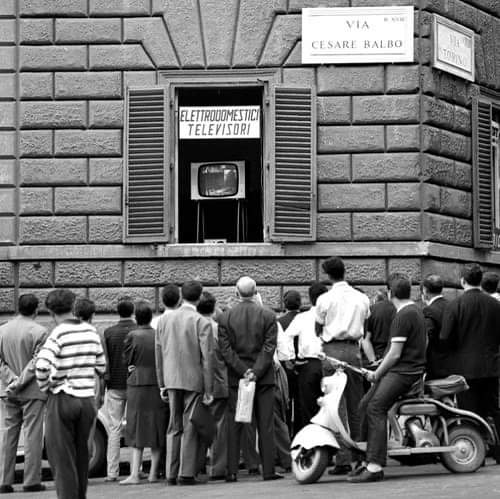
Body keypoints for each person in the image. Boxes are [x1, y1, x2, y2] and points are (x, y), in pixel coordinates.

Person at [350, 273, 426, 483]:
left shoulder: (403, 315)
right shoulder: (415, 310)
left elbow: (394, 353)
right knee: (364, 404)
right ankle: (365, 460)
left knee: (375, 407)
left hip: (403, 372)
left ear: (390, 293)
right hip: (407, 370)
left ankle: (374, 465)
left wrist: (377, 372)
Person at [35, 289, 106, 499]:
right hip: (86, 400)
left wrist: (46, 386)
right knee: (81, 455)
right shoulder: (91, 331)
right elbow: (101, 366)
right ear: (73, 305)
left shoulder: (57, 333)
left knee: (61, 458)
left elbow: (41, 366)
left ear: (50, 311)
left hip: (62, 398)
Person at [218, 276, 282, 482]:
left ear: (236, 293)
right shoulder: (269, 315)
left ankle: (232, 471)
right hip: (263, 378)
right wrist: (255, 371)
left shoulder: (225, 318)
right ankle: (269, 470)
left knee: (234, 422)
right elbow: (269, 347)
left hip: (237, 378)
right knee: (266, 423)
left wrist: (243, 370)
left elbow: (225, 351)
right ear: (256, 292)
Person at [314, 257, 370, 475]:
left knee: (335, 406)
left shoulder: (324, 299)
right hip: (354, 350)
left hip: (332, 351)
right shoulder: (361, 297)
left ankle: (342, 458)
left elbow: (318, 328)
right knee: (356, 403)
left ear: (328, 276)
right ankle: (359, 454)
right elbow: (365, 324)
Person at [155, 280, 214, 486]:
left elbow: (159, 354)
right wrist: (209, 389)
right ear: (199, 297)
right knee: (189, 425)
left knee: (174, 425)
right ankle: (186, 473)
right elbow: (207, 358)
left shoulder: (163, 321)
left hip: (171, 378)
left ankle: (171, 473)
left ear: (181, 295)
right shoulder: (201, 321)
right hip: (193, 378)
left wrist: (161, 382)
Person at [440, 264, 500, 436]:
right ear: (480, 281)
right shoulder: (495, 305)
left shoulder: (454, 305)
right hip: (491, 365)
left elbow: (445, 337)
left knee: (469, 411)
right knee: (494, 409)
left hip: (464, 367)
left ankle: (476, 447)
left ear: (462, 281)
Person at [0, 294, 47, 494]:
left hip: (7, 390)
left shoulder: (2, 330)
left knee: (8, 435)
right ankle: (31, 480)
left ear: (17, 308)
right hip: (31, 391)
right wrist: (20, 382)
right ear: (36, 309)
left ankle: (4, 480)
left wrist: (10, 381)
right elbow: (38, 363)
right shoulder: (40, 332)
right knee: (32, 436)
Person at [121, 301, 167, 485]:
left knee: (136, 427)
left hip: (137, 383)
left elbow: (126, 359)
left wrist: (131, 366)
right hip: (156, 381)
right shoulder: (157, 334)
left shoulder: (132, 335)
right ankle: (153, 473)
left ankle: (134, 474)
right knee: (156, 427)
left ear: (136, 318)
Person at [102, 296, 136, 481]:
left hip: (114, 385)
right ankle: (135, 470)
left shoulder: (108, 333)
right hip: (134, 384)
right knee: (133, 428)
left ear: (117, 311)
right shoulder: (138, 330)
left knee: (114, 429)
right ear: (132, 311)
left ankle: (112, 472)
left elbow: (105, 362)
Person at [285, 282, 327, 431]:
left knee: (308, 407)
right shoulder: (332, 316)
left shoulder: (303, 317)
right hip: (329, 363)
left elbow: (287, 336)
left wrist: (291, 358)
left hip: (308, 365)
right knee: (330, 407)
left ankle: (310, 445)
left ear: (309, 299)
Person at [196, 291, 228, 480]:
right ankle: (217, 468)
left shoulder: (194, 327)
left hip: (197, 384)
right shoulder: (219, 329)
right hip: (220, 382)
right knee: (219, 428)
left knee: (198, 426)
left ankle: (196, 465)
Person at [277, 290, 301, 436]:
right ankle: (298, 434)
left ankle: (285, 434)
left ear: (285, 304)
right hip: (303, 365)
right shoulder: (305, 319)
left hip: (285, 366)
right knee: (300, 404)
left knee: (285, 402)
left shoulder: (280, 322)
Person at [421, 275, 449, 379]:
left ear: (424, 290)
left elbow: (427, 338)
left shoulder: (429, 311)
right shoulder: (452, 305)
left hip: (435, 366)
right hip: (453, 363)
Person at [361, 291, 395, 365]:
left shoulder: (372, 310)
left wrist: (373, 361)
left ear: (375, 300)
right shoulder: (400, 309)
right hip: (396, 355)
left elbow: (366, 340)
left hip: (378, 355)